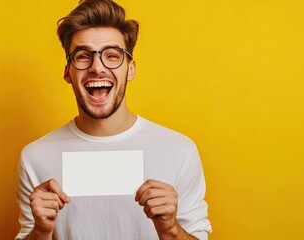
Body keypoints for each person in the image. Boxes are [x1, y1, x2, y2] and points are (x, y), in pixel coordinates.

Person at [15, 0, 212, 239]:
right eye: (82, 56)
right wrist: (41, 231)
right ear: (68, 72)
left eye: (112, 55)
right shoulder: (36, 157)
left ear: (130, 69)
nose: (97, 67)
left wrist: (171, 230)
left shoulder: (179, 150)